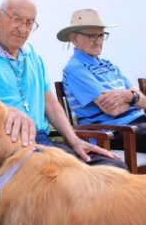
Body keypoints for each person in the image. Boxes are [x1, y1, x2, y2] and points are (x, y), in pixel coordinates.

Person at [0, 0, 127, 169]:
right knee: (71, 177)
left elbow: (51, 105)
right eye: (16, 19)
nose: (23, 29)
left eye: (30, 23)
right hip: (6, 143)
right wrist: (7, 110)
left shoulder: (32, 56)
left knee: (111, 166)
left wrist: (75, 141)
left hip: (41, 142)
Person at [60, 8, 146, 153]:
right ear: (74, 38)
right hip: (117, 132)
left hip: (138, 125)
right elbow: (113, 109)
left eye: (101, 35)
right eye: (92, 36)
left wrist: (128, 96)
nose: (98, 41)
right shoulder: (75, 69)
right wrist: (132, 97)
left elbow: (143, 100)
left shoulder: (108, 64)